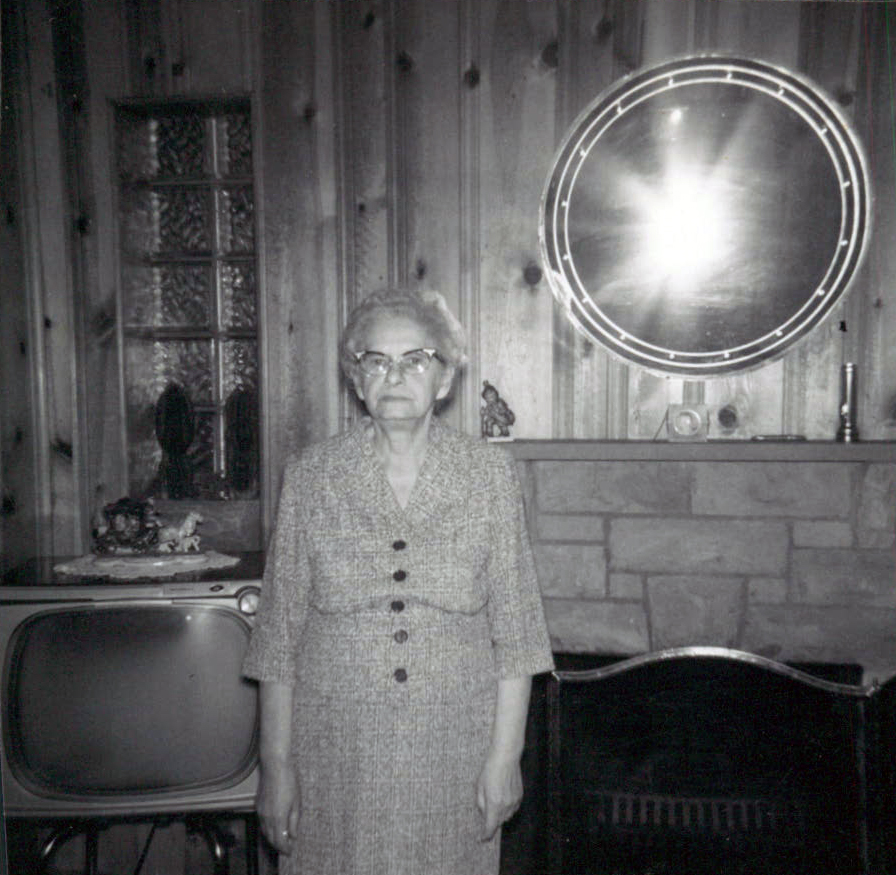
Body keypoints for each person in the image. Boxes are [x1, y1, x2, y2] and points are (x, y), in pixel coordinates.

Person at [242, 289, 554, 875]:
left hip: (454, 757)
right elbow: (278, 639)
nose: (394, 375)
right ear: (355, 378)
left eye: (416, 359)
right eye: (376, 360)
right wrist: (275, 767)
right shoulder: (311, 477)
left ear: (445, 378)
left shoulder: (489, 477)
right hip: (333, 756)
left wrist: (505, 758)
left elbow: (518, 637)